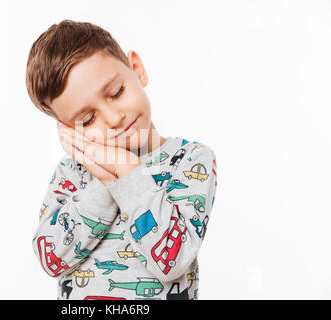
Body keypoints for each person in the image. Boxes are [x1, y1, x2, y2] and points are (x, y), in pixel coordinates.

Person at [26, 19, 217, 300]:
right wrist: (104, 175)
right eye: (88, 119)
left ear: (136, 70)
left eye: (117, 92)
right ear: (69, 131)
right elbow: (52, 258)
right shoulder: (70, 174)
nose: (114, 118)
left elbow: (172, 261)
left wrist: (126, 170)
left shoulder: (191, 160)